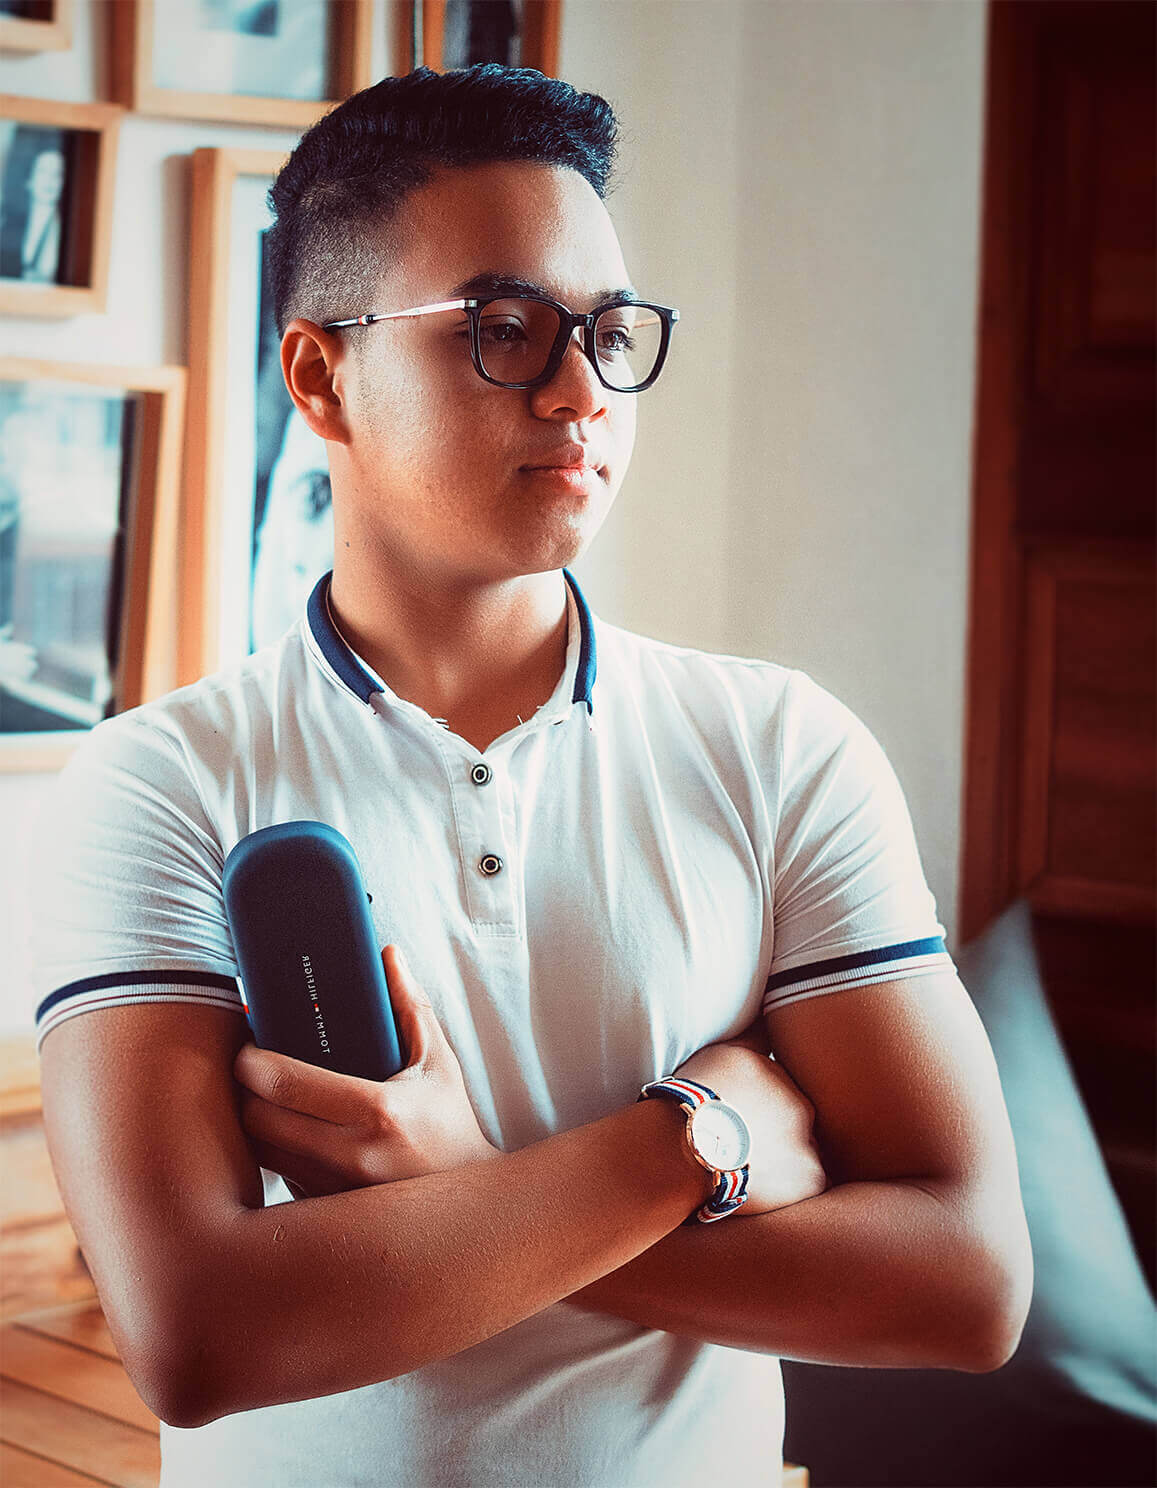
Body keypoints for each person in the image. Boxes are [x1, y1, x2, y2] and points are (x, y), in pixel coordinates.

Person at [30, 65, 1032, 1488]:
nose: (581, 393)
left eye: (609, 332)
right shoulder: (163, 782)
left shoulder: (778, 746)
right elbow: (200, 1338)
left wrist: (452, 1193)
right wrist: (695, 1142)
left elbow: (965, 1283)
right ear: (322, 378)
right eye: (503, 331)